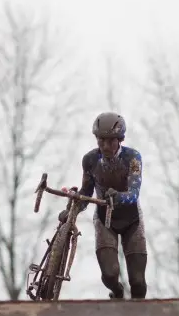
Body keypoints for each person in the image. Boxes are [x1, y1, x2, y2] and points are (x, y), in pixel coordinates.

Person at [58, 112, 147, 299]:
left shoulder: (133, 158)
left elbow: (134, 193)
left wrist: (119, 196)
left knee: (137, 281)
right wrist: (72, 209)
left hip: (132, 219)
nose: (105, 146)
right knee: (109, 274)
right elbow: (86, 192)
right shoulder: (90, 160)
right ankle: (117, 291)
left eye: (110, 141)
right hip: (104, 220)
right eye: (101, 141)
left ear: (120, 140)